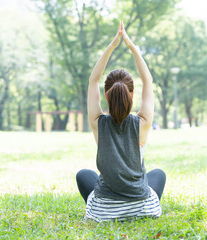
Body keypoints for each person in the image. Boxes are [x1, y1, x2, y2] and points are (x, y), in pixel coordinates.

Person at [76, 21, 166, 222]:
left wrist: (112, 46)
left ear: (106, 96)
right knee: (158, 174)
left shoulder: (97, 122)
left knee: (84, 175)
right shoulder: (142, 123)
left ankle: (116, 209)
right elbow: (148, 80)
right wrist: (132, 47)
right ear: (132, 94)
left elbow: (93, 81)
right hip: (143, 209)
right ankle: (134, 209)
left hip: (104, 212)